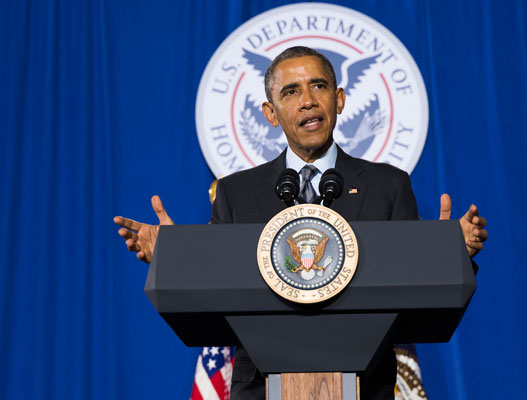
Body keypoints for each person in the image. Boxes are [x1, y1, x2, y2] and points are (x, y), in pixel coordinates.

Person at [114, 46, 488, 399]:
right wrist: (175, 257)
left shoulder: (388, 184)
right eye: (291, 91)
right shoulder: (235, 192)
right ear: (271, 113)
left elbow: (415, 288)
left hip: (366, 387)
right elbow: (215, 288)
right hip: (260, 390)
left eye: (319, 86)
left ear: (338, 100)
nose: (307, 100)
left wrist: (447, 252)